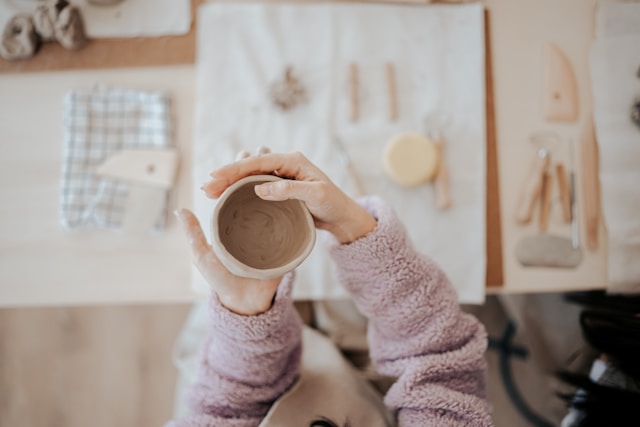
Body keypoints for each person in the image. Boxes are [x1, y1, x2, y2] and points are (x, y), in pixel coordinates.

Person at [166, 151, 493, 427]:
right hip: (364, 382)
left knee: (209, 327)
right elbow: (438, 364)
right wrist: (357, 229)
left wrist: (248, 319)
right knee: (345, 309)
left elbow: (225, 409)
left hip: (247, 377)